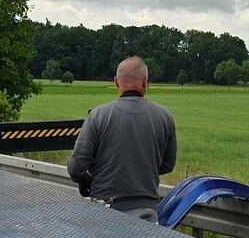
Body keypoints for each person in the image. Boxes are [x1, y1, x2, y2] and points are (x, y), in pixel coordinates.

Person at [67, 56, 177, 221]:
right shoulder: (164, 116)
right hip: (147, 212)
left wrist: (92, 180)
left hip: (103, 211)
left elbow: (76, 167)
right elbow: (167, 165)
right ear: (145, 81)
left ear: (116, 82)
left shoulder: (98, 115)